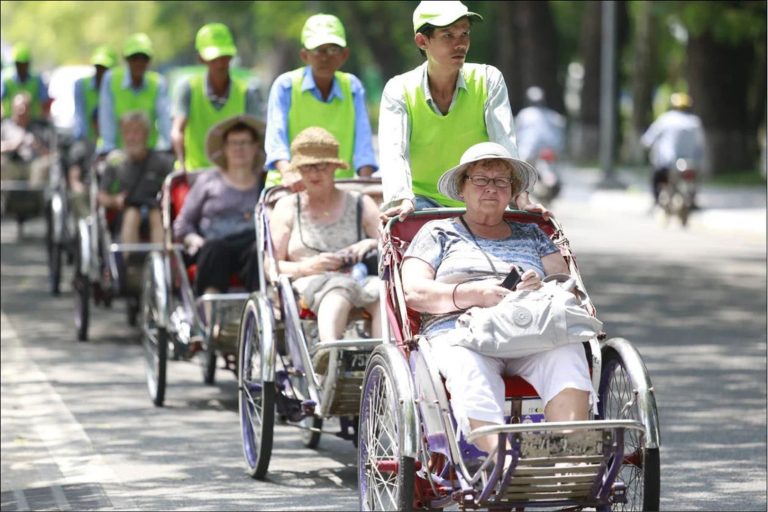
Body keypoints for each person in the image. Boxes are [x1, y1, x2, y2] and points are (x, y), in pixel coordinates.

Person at [400, 141, 594, 454]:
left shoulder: (532, 234)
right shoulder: (437, 233)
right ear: (462, 188)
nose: (491, 188)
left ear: (511, 191)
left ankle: (566, 457)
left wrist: (540, 287)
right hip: (459, 331)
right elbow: (414, 291)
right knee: (467, 365)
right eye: (480, 179)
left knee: (568, 350)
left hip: (529, 328)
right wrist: (472, 293)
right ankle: (500, 462)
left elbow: (564, 285)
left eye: (501, 181)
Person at [379, 1, 539, 220]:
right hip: (420, 202)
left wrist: (520, 196)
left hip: (481, 198)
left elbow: (504, 142)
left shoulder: (488, 80)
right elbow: (394, 153)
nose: (460, 44)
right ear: (422, 40)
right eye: (448, 36)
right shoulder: (399, 89)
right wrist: (402, 200)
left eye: (465, 34)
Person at [269, 127, 381, 364]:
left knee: (383, 292)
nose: (314, 173)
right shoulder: (287, 207)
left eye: (321, 165)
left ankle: (382, 363)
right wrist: (308, 266)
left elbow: (389, 243)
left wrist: (368, 244)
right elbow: (271, 265)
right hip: (307, 282)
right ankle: (329, 357)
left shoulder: (360, 202)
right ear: (297, 169)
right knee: (338, 289)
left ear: (334, 167)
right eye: (307, 166)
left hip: (358, 277)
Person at [264, 13, 377, 191]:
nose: (324, 57)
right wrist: (287, 173)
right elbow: (276, 141)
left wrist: (366, 185)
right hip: (291, 186)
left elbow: (364, 147)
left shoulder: (352, 87)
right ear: (304, 55)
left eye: (333, 49)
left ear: (344, 55)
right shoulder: (286, 86)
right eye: (317, 50)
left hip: (339, 188)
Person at [172, 114, 265, 301]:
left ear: (256, 147)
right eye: (234, 143)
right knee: (216, 249)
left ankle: (262, 308)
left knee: (260, 252)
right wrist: (193, 239)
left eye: (245, 143)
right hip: (213, 245)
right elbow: (183, 224)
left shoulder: (264, 184)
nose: (239, 149)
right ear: (225, 148)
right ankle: (211, 312)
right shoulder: (207, 181)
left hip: (250, 246)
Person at [171, 23, 265, 173]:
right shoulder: (188, 88)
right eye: (214, 58)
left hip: (236, 175)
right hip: (196, 173)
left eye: (225, 57)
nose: (221, 63)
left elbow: (258, 135)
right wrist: (182, 166)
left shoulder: (247, 91)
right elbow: (178, 131)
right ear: (201, 59)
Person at [97, 111, 172, 247]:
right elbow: (101, 196)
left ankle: (161, 261)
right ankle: (130, 263)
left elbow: (172, 186)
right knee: (132, 213)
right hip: (125, 214)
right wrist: (115, 200)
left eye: (136, 132)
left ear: (146, 134)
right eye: (127, 132)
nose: (131, 138)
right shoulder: (115, 162)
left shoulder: (161, 161)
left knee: (156, 214)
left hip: (154, 210)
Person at [97, 33, 171, 155]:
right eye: (134, 58)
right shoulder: (111, 79)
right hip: (117, 152)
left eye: (144, 58)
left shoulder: (157, 83)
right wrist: (108, 149)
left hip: (147, 154)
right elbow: (106, 117)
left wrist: (169, 145)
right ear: (126, 60)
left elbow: (165, 119)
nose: (139, 63)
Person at [68, 45, 118, 218]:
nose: (101, 72)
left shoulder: (116, 89)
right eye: (99, 68)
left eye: (105, 69)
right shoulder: (82, 86)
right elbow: (80, 116)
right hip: (87, 142)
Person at [641, 92, 705, 206]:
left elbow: (648, 138)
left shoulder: (665, 120)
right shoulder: (695, 122)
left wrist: (646, 146)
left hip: (668, 162)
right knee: (694, 179)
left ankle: (656, 202)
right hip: (690, 163)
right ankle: (692, 201)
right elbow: (701, 143)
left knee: (656, 177)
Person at [1, 92, 51, 186]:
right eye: (19, 108)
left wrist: (36, 145)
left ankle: (35, 197)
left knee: (44, 164)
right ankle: (6, 197)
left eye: (25, 107)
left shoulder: (38, 128)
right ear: (13, 108)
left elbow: (49, 154)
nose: (22, 110)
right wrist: (12, 145)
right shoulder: (5, 126)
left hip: (33, 165)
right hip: (11, 165)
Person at [515, 86, 566, 164]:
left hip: (528, 150)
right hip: (550, 148)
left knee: (522, 169)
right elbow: (561, 127)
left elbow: (517, 131)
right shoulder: (552, 114)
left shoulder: (524, 114)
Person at [1, 42, 50, 121]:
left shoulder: (36, 80)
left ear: (29, 64)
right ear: (15, 64)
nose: (22, 67)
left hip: (33, 122)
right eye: (19, 64)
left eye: (24, 64)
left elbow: (44, 102)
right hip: (10, 122)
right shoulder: (6, 79)